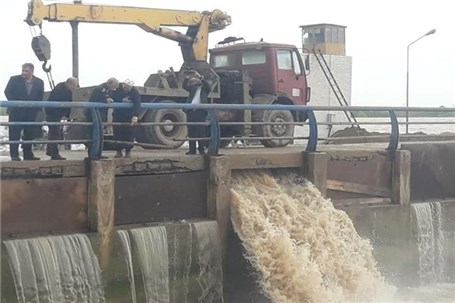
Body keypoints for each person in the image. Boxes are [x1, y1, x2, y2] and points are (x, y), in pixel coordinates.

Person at [4, 63, 44, 161]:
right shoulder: (14, 79)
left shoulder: (39, 82)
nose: (24, 73)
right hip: (16, 111)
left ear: (32, 71)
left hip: (31, 112)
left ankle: (28, 155)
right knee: (14, 134)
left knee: (29, 134)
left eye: (26, 71)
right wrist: (16, 103)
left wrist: (36, 108)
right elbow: (7, 92)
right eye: (23, 70)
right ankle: (14, 155)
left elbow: (40, 96)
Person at [84, 77, 120, 158]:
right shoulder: (99, 89)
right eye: (114, 86)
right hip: (94, 114)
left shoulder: (107, 89)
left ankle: (98, 153)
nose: (115, 88)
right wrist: (105, 100)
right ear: (110, 83)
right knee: (93, 134)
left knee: (100, 134)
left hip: (101, 114)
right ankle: (92, 154)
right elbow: (94, 100)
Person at [45, 77, 79, 160]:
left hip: (56, 114)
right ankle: (54, 154)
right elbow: (60, 102)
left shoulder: (65, 88)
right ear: (70, 83)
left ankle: (50, 150)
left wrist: (66, 115)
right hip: (53, 114)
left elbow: (67, 102)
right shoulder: (60, 89)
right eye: (74, 85)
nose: (75, 87)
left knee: (54, 132)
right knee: (55, 133)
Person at [183, 69, 211, 155]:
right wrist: (188, 77)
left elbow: (208, 86)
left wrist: (200, 77)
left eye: (196, 80)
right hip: (191, 111)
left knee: (200, 132)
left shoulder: (205, 90)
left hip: (200, 112)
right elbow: (184, 86)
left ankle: (201, 149)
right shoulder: (193, 89)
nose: (195, 81)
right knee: (191, 131)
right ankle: (192, 150)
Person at [111, 79, 141, 158]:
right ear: (124, 85)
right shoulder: (118, 89)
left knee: (129, 133)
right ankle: (118, 151)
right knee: (117, 133)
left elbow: (137, 103)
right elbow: (112, 97)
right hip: (118, 115)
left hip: (129, 116)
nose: (127, 88)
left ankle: (128, 151)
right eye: (126, 86)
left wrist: (135, 116)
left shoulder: (135, 92)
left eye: (129, 87)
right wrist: (121, 100)